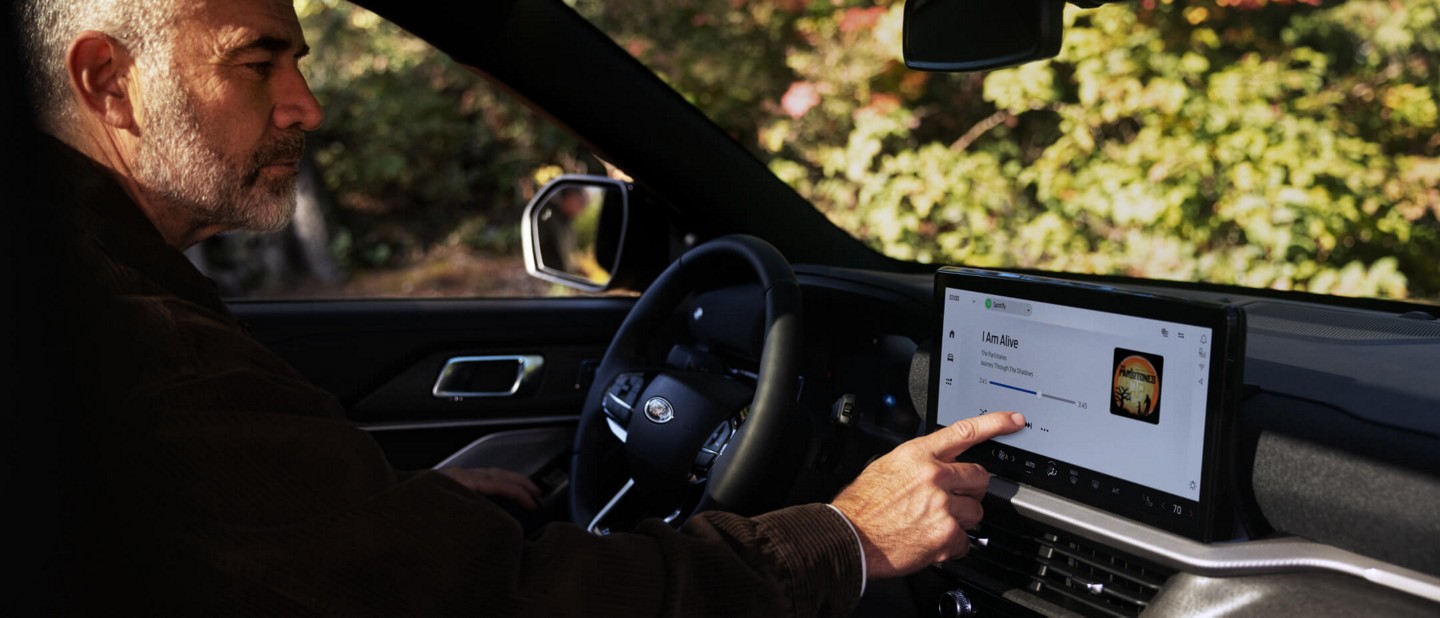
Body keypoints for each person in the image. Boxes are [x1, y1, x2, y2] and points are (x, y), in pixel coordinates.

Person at [18, 0, 1026, 614]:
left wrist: (396, 523)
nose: (305, 106)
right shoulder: (133, 342)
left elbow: (285, 552)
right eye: (256, 61)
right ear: (108, 80)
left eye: (302, 64)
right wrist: (843, 538)